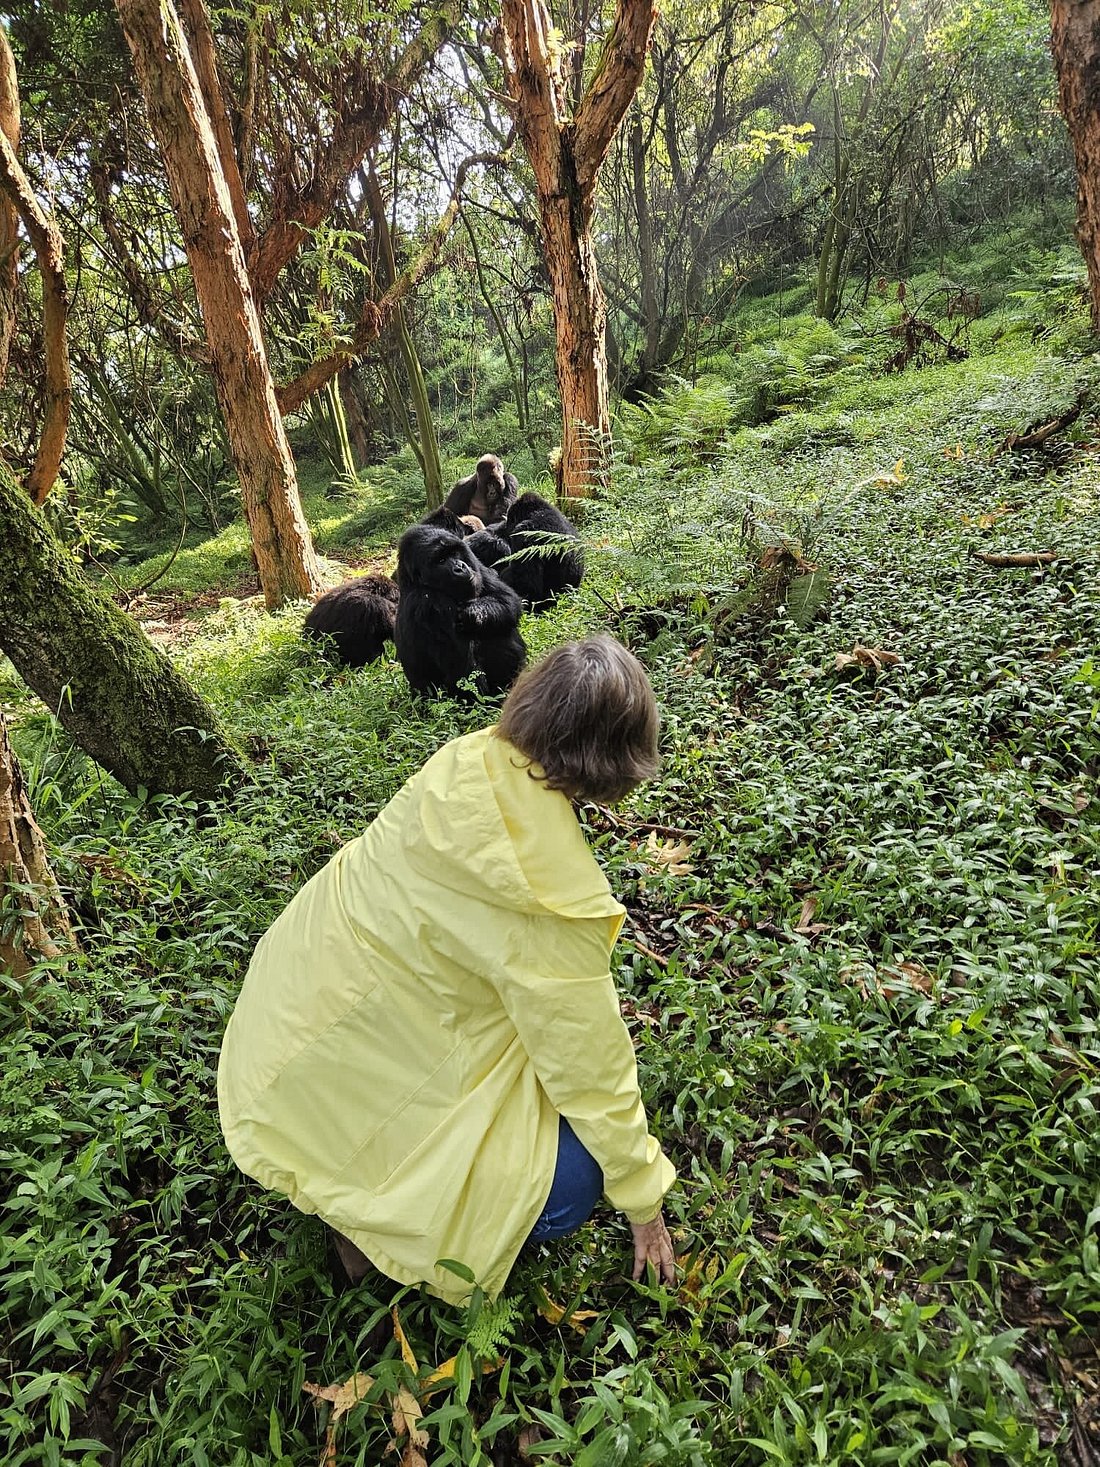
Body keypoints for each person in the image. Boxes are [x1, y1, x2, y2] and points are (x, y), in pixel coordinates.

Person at [217, 636, 677, 1303]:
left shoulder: (461, 761)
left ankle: (342, 1190)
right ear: (612, 762)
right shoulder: (555, 897)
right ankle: (378, 1224)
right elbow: (593, 1073)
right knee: (576, 1182)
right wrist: (645, 1201)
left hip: (275, 1054)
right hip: (356, 1083)